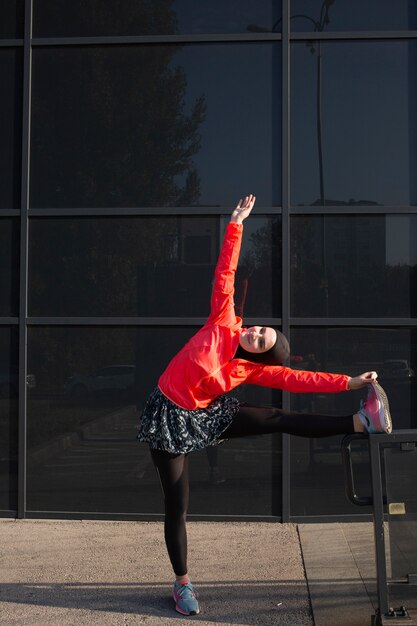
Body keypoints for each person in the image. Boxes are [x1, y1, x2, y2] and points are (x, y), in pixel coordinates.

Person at [138, 194, 392, 617]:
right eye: (260, 330)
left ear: (258, 356)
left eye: (261, 340)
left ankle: (361, 421)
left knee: (278, 417)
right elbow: (226, 273)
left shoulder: (250, 370)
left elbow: (299, 379)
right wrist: (236, 224)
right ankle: (182, 584)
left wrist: (350, 381)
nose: (255, 332)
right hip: (167, 416)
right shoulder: (224, 320)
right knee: (177, 504)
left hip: (205, 413)